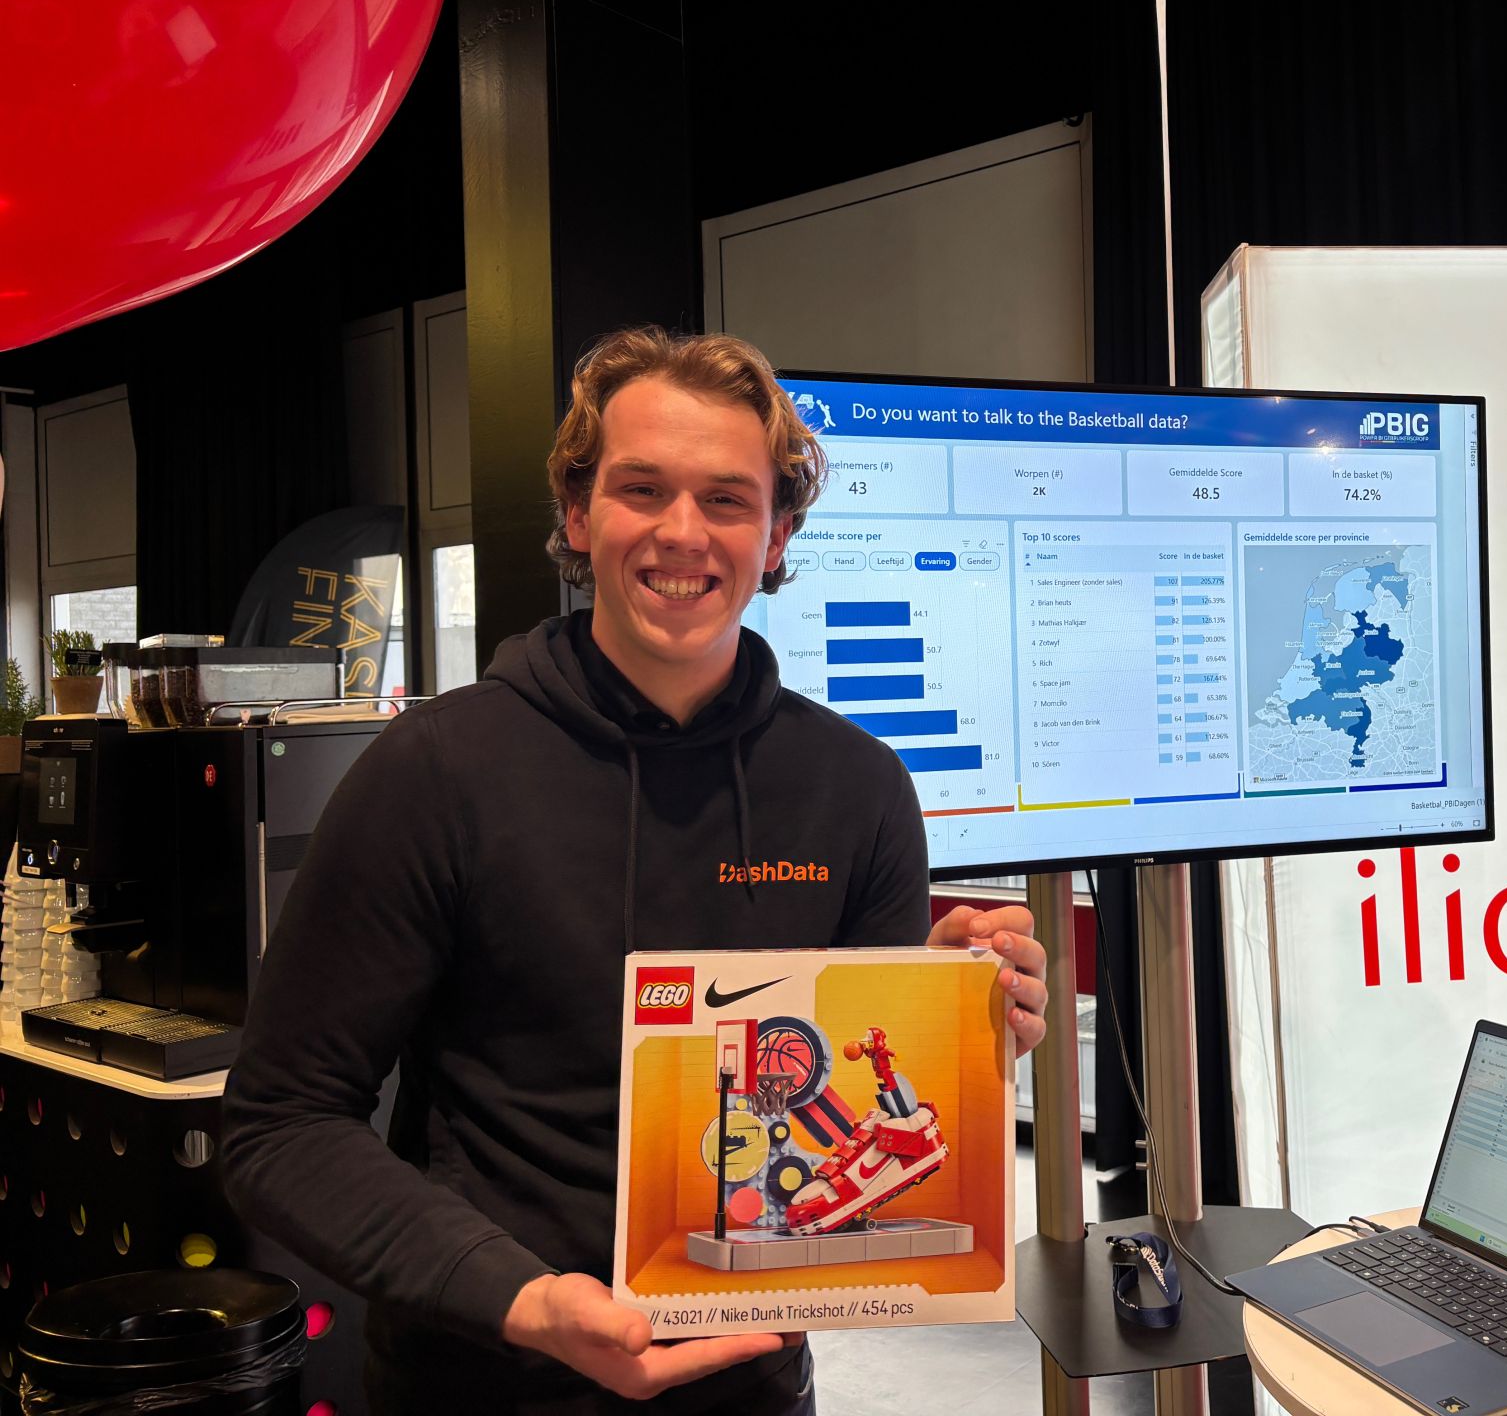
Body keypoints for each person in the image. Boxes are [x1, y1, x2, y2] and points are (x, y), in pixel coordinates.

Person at [221, 329, 1049, 1414]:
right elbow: (282, 1124)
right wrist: (522, 1299)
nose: (681, 532)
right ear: (578, 513)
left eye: (726, 499)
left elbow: (838, 1104)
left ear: (776, 534)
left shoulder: (858, 789)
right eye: (641, 489)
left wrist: (949, 1016)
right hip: (481, 1384)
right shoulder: (435, 772)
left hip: (751, 1390)